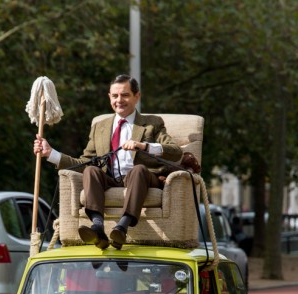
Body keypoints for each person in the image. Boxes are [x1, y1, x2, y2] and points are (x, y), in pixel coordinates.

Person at [33, 74, 199, 250]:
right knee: (91, 171)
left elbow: (175, 152)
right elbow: (84, 162)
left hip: (144, 178)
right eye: (115, 96)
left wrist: (143, 146)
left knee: (138, 170)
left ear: (137, 96)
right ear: (109, 97)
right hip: (111, 178)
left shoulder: (152, 124)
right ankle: (97, 227)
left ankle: (122, 226)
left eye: (125, 95)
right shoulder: (100, 126)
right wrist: (51, 154)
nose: (119, 100)